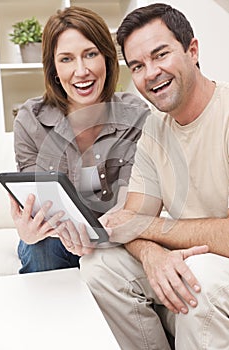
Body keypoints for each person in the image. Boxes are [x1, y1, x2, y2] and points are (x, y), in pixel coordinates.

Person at [76, 3, 229, 350]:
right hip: (197, 259)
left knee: (196, 278)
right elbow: (130, 220)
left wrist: (148, 229)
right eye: (138, 66)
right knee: (100, 265)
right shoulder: (155, 130)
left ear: (192, 50)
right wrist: (151, 254)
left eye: (160, 55)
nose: (151, 73)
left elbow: (138, 223)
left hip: (214, 267)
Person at [10, 6, 150, 274]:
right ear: (53, 69)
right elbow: (36, 200)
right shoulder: (30, 119)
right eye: (66, 59)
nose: (81, 70)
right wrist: (29, 227)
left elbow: (131, 201)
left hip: (113, 231)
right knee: (41, 246)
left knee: (119, 251)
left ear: (107, 59)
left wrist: (99, 236)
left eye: (90, 54)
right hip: (54, 237)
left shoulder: (135, 116)